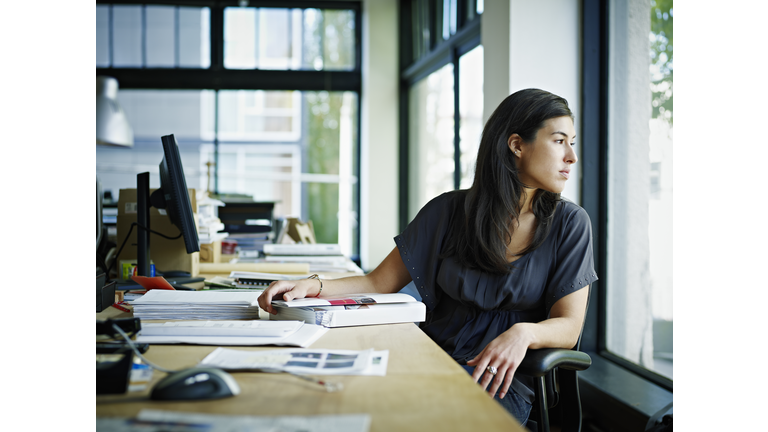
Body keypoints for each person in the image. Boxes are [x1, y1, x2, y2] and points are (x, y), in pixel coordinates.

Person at [258, 88, 597, 425]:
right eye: (559, 141)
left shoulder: (570, 224)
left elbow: (568, 326)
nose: (571, 156)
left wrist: (524, 333)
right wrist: (310, 286)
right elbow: (378, 282)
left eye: (572, 142)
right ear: (517, 145)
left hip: (500, 381)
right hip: (427, 360)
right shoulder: (448, 211)